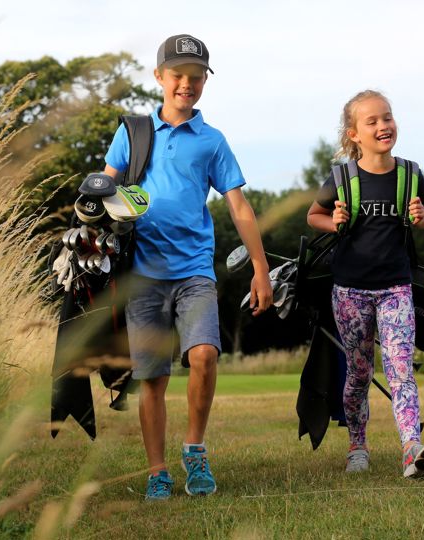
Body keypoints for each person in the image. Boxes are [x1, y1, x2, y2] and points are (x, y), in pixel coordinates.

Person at [103, 34, 273, 499]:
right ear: (159, 77)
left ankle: (194, 450)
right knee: (152, 377)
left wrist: (260, 267)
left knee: (204, 354)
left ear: (204, 83)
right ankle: (157, 469)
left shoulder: (212, 141)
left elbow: (239, 206)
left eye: (195, 77)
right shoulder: (132, 133)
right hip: (142, 273)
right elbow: (103, 191)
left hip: (195, 270)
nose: (186, 84)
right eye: (177, 75)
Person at [306, 90, 424, 479]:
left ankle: (411, 449)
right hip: (349, 290)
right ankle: (357, 446)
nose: (383, 126)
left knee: (401, 368)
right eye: (372, 121)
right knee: (359, 373)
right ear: (354, 134)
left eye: (387, 117)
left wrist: (421, 215)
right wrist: (333, 221)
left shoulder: (410, 174)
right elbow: (314, 215)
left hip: (396, 287)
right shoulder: (341, 177)